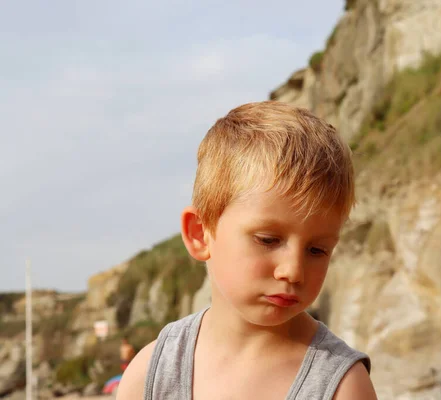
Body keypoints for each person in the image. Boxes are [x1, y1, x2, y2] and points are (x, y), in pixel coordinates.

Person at [117, 101, 378, 399]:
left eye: (317, 250)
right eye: (268, 240)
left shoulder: (341, 387)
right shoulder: (151, 375)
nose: (293, 270)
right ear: (200, 233)